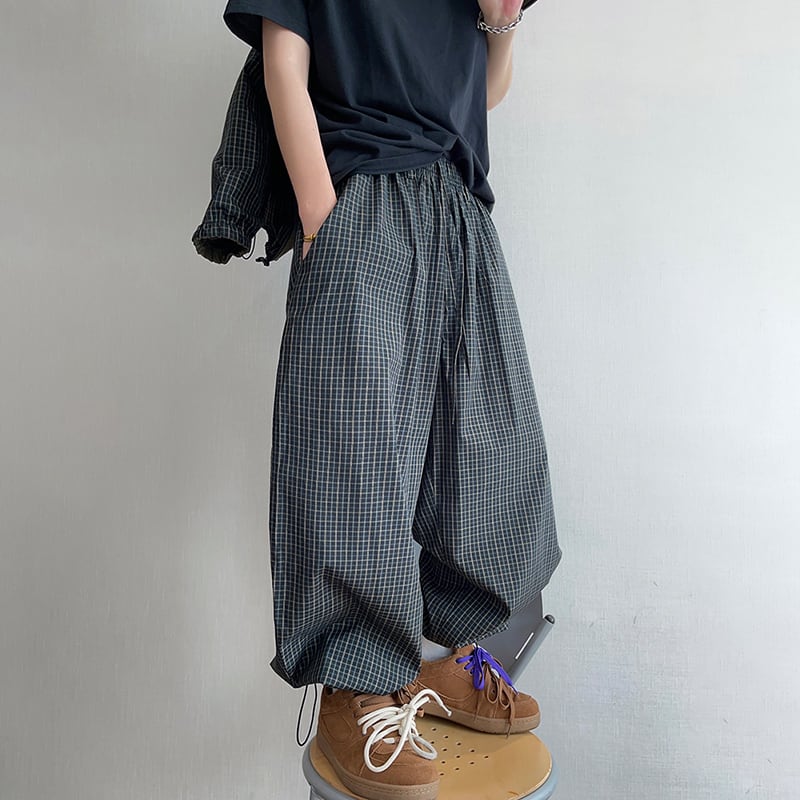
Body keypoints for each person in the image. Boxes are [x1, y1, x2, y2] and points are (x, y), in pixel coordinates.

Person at [221, 1, 563, 798]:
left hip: (458, 205)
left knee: (491, 446)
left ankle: (440, 664)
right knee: (353, 458)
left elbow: (480, 94)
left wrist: (501, 24)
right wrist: (321, 216)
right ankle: (354, 685)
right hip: (362, 199)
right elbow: (283, 64)